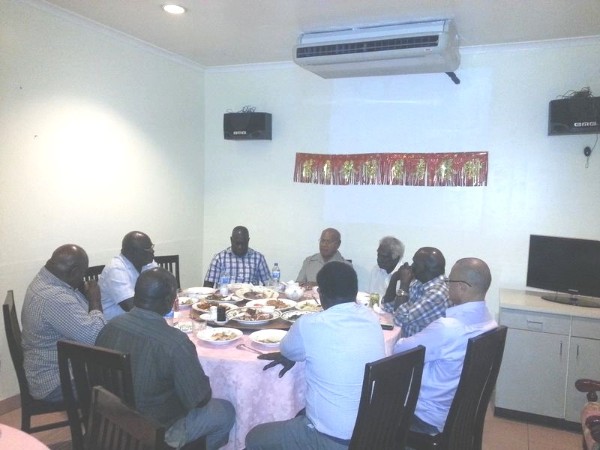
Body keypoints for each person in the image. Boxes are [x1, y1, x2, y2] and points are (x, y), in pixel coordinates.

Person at [246, 261, 385, 450]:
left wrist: (292, 354)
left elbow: (286, 350)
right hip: (374, 431)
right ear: (355, 292)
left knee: (254, 437)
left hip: (330, 439)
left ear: (321, 294)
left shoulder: (309, 324)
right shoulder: (371, 318)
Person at [95, 267, 235, 449]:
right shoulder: (175, 343)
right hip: (156, 431)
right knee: (226, 411)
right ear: (170, 301)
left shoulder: (109, 327)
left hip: (112, 421)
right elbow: (199, 400)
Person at [394, 257, 497, 437]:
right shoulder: (490, 323)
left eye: (449, 281)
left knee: (369, 406)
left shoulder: (448, 328)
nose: (446, 286)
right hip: (459, 413)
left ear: (462, 287)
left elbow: (400, 351)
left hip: (425, 417)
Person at [21, 244, 106, 402]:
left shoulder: (47, 279)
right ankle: (106, 417)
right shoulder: (53, 297)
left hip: (57, 365)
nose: (83, 278)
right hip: (56, 381)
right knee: (122, 378)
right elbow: (96, 338)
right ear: (74, 272)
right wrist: (95, 300)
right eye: (82, 273)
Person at [381, 247, 450, 338]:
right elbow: (388, 306)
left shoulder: (437, 293)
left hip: (419, 344)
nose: (411, 266)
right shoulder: (421, 281)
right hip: (405, 339)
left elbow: (400, 318)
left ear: (426, 268)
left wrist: (404, 283)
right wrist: (394, 278)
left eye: (415, 263)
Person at [99, 231, 158, 321]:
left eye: (152, 247)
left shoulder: (147, 262)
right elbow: (131, 307)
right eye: (147, 249)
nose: (152, 251)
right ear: (132, 252)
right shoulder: (115, 269)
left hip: (136, 319)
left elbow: (163, 288)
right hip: (115, 323)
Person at [203, 225, 270, 287]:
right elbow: (208, 285)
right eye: (237, 243)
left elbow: (268, 283)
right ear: (231, 240)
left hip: (250, 295)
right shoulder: (219, 258)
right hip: (225, 295)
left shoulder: (258, 258)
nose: (240, 247)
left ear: (248, 240)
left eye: (243, 243)